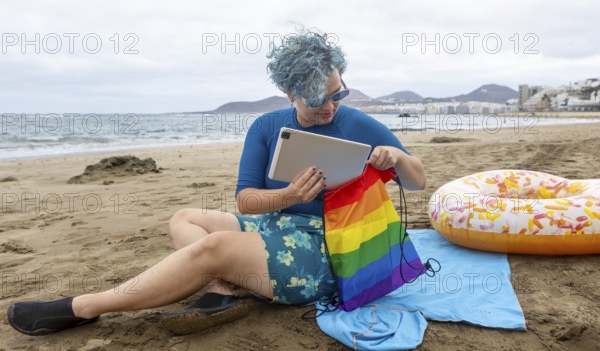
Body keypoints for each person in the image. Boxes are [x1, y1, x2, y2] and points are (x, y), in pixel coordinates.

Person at [7, 31, 426, 336]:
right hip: (274, 229)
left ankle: (85, 306)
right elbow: (246, 201)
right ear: (289, 93)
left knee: (213, 247)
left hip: (332, 249)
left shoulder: (357, 123)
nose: (330, 106)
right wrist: (289, 196)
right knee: (185, 218)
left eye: (339, 93)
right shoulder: (266, 126)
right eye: (317, 100)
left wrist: (401, 158)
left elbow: (417, 183)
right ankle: (220, 289)